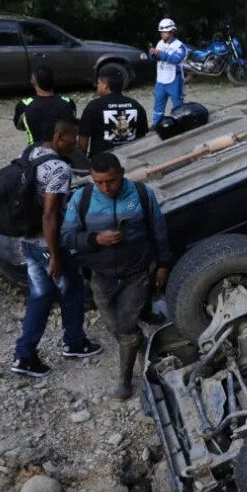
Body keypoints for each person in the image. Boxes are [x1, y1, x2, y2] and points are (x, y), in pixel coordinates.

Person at [61, 153, 171, 399]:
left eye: (110, 181)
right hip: (101, 276)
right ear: (92, 178)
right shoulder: (82, 198)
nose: (105, 187)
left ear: (121, 173)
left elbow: (159, 230)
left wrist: (163, 264)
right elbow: (67, 237)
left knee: (125, 326)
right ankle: (140, 344)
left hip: (137, 274)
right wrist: (95, 239)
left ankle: (125, 381)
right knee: (116, 328)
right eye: (99, 182)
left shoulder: (142, 194)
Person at [13, 115, 102, 378]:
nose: (77, 142)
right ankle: (74, 342)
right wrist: (55, 255)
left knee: (40, 296)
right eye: (73, 137)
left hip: (27, 240)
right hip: (48, 243)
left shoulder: (30, 151)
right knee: (71, 289)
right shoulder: (59, 169)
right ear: (59, 137)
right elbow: (50, 213)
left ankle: (24, 354)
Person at [77, 67, 149, 158]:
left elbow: (83, 141)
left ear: (105, 85)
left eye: (98, 83)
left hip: (102, 165)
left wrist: (83, 160)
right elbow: (142, 138)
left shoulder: (93, 106)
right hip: (132, 160)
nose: (96, 86)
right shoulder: (136, 106)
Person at [13, 65, 76, 146]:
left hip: (35, 153)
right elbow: (71, 125)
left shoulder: (23, 105)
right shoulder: (68, 102)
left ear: (33, 82)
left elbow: (19, 126)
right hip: (62, 152)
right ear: (54, 80)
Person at [148, 18, 187, 125]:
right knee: (158, 103)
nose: (162, 35)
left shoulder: (179, 46)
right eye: (161, 32)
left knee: (177, 104)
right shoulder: (160, 43)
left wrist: (159, 54)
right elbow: (153, 59)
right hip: (161, 79)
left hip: (174, 78)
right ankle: (157, 124)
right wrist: (152, 54)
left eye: (165, 32)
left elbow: (175, 59)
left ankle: (180, 122)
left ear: (172, 32)